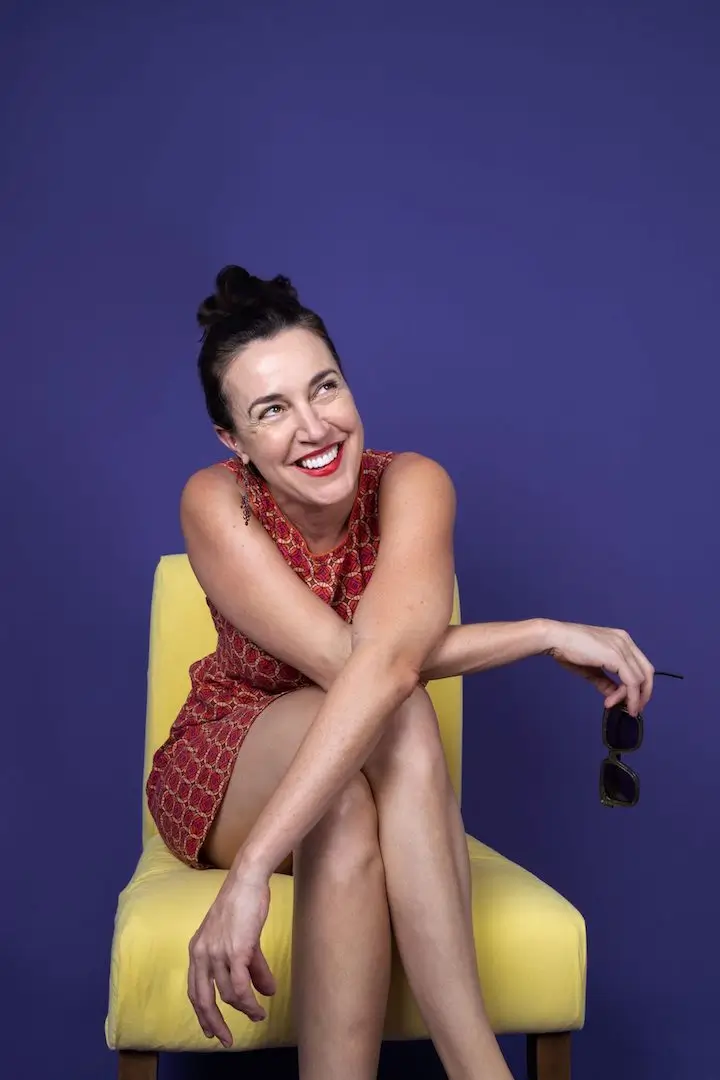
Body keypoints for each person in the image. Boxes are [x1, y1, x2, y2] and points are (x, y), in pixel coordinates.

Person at [146, 265, 654, 1080]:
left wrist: (533, 632)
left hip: (357, 766)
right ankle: (480, 1070)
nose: (314, 427)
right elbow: (368, 666)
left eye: (326, 388)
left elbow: (383, 668)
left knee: (364, 761)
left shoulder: (413, 483)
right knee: (395, 702)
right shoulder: (217, 501)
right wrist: (538, 632)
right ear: (233, 441)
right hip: (232, 759)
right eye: (272, 410)